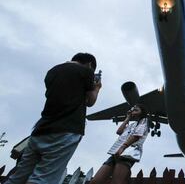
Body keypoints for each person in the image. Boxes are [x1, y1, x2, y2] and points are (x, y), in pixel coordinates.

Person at [5, 53, 102, 184]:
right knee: (42, 179)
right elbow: (90, 101)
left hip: (41, 129)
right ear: (90, 65)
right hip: (66, 131)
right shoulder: (86, 71)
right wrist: (96, 88)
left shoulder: (52, 71)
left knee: (18, 177)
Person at [90, 105, 148, 184]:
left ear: (142, 113)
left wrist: (123, 147)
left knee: (116, 182)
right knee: (95, 181)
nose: (133, 111)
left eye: (136, 110)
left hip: (128, 153)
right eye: (132, 110)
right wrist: (127, 118)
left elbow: (136, 136)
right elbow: (119, 132)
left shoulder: (144, 121)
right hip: (116, 152)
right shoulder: (132, 124)